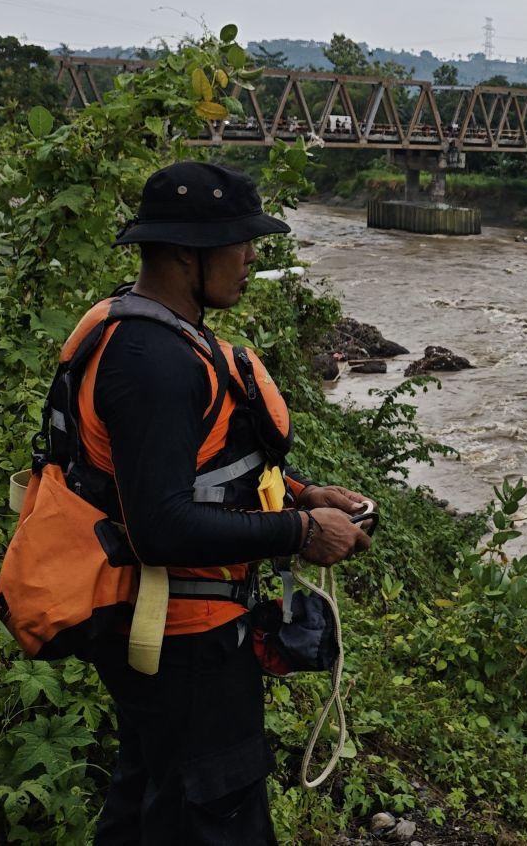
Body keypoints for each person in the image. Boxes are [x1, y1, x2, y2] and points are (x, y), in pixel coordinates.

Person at [81, 161, 371, 843]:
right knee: (216, 819)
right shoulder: (155, 363)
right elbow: (160, 526)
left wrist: (300, 492)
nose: (250, 260)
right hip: (186, 647)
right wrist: (300, 530)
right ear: (189, 252)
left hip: (168, 639)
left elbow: (196, 469)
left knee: (146, 809)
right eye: (240, 244)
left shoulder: (146, 330)